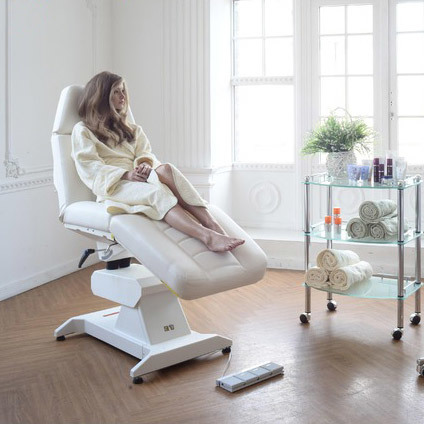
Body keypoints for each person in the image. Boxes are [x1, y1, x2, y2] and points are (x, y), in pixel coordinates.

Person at [72, 71, 245, 252]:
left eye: (123, 90)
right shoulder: (83, 130)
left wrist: (145, 164)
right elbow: (89, 166)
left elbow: (145, 153)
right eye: (116, 91)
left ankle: (212, 224)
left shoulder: (132, 129)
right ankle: (207, 237)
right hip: (115, 185)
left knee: (167, 170)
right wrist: (126, 175)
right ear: (101, 97)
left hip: (139, 176)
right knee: (157, 193)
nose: (122, 96)